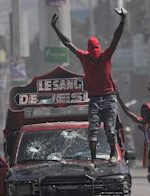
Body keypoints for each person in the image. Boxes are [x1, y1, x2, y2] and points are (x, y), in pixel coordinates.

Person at [51, 8, 127, 168]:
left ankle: (112, 155)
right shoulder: (87, 56)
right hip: (95, 99)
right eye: (93, 50)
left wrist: (123, 20)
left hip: (109, 97)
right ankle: (93, 161)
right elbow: (68, 43)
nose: (95, 53)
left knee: (110, 130)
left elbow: (115, 38)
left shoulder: (102, 56)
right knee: (92, 131)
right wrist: (55, 28)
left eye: (96, 50)